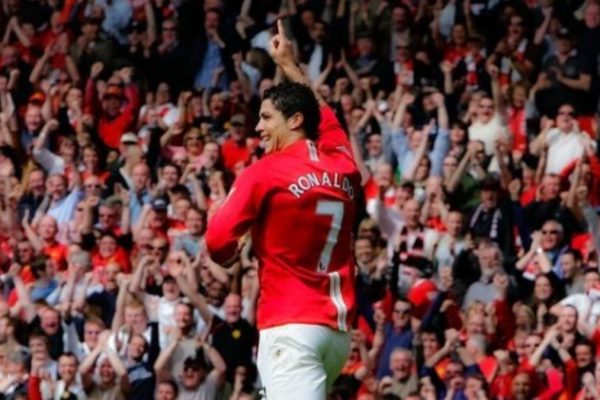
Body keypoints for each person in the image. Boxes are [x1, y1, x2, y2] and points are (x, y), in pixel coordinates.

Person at [206, 20, 361, 399]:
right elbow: (324, 116)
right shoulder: (343, 164)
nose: (258, 127)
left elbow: (217, 241)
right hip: (336, 334)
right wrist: (290, 65)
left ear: (294, 121)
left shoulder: (264, 172)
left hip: (291, 327)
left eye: (266, 118)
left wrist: (232, 252)